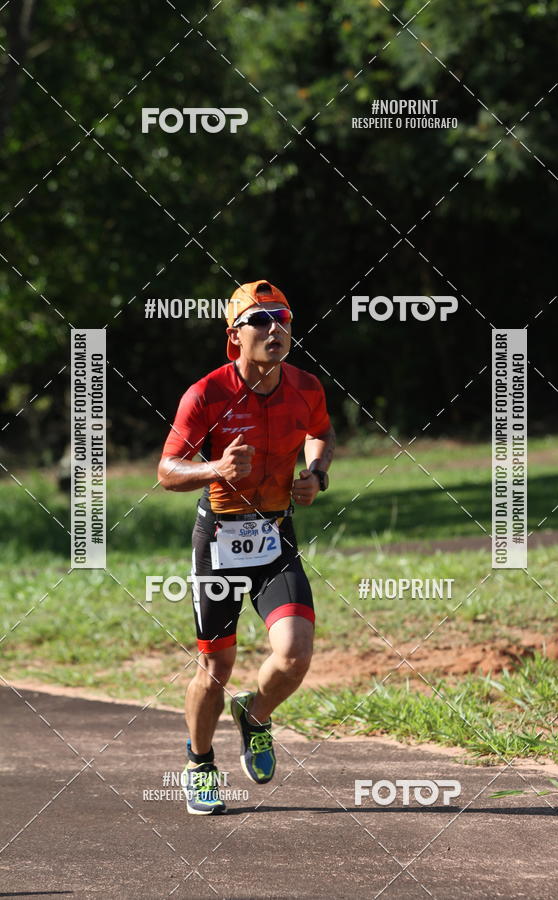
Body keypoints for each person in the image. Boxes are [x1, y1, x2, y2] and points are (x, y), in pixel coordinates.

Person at [157, 279, 335, 815]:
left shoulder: (306, 387)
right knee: (216, 667)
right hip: (219, 538)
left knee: (295, 653)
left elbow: (320, 433)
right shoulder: (205, 394)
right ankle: (200, 762)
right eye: (260, 320)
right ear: (235, 336)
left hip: (276, 533)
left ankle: (255, 717)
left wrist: (316, 475)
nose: (275, 328)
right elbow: (166, 471)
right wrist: (214, 467)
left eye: (282, 318)